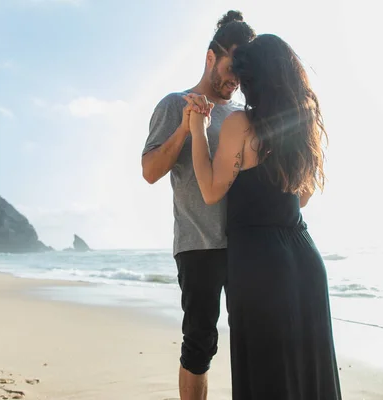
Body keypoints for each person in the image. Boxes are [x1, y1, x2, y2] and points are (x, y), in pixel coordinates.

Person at [184, 34, 342, 399]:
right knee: (309, 377)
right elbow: (301, 199)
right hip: (305, 260)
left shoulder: (240, 124)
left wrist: (197, 128)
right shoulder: (303, 127)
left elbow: (209, 190)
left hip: (258, 262)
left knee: (267, 378)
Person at [141, 10, 256, 400]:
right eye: (230, 67)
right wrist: (185, 126)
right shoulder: (174, 104)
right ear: (211, 57)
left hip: (245, 244)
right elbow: (150, 171)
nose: (234, 79)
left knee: (250, 341)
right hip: (197, 244)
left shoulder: (243, 116)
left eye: (241, 73)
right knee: (200, 345)